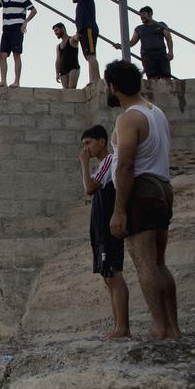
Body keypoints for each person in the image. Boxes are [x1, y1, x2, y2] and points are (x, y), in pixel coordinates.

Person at [105, 60, 179, 340]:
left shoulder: (128, 119)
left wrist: (119, 211)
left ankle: (161, 328)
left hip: (141, 191)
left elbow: (125, 165)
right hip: (163, 186)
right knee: (159, 263)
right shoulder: (156, 112)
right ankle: (173, 327)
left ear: (113, 86)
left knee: (145, 264)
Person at [80, 125, 130, 339]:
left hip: (108, 226)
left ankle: (123, 327)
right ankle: (118, 325)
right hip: (100, 227)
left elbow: (90, 188)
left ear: (101, 141)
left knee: (114, 274)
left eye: (88, 143)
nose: (86, 149)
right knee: (108, 277)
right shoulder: (102, 165)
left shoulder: (109, 161)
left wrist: (83, 164)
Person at [125, 7, 174, 79]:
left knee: (165, 77)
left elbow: (168, 38)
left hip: (161, 54)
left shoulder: (160, 24)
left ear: (150, 13)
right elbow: (132, 42)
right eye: (140, 15)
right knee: (152, 78)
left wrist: (170, 52)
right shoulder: (139, 28)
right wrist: (121, 46)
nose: (141, 17)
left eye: (144, 14)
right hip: (147, 56)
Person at [68, 0, 100, 84]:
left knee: (91, 56)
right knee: (89, 57)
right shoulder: (81, 4)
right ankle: (94, 80)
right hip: (83, 31)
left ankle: (96, 80)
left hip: (88, 30)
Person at [53, 22, 81, 89]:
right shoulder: (58, 46)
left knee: (71, 89)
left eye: (56, 30)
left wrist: (78, 34)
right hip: (63, 71)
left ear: (63, 29)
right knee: (66, 93)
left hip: (73, 68)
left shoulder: (71, 40)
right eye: (54, 31)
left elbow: (76, 38)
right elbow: (58, 60)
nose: (55, 33)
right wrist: (57, 73)